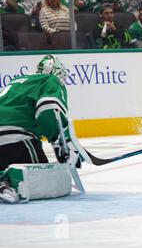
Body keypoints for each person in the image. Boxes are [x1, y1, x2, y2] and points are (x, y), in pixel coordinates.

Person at [0, 55, 84, 203]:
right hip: (15, 139)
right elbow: (49, 110)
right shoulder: (50, 80)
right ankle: (6, 179)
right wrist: (61, 143)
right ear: (57, 73)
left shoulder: (16, 82)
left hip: (6, 136)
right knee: (49, 179)